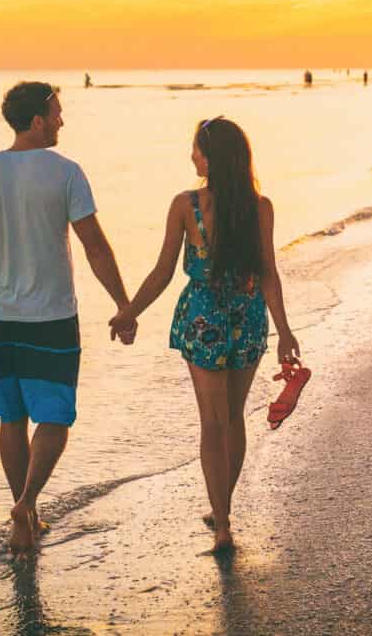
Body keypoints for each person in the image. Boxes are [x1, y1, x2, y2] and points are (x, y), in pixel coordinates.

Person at [0, 81, 133, 554]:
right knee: (54, 418)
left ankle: (23, 516)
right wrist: (122, 304)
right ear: (36, 121)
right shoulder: (65, 173)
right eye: (56, 113)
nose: (61, 121)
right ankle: (28, 501)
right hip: (50, 315)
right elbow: (94, 245)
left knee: (12, 417)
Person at [109, 118, 300, 555]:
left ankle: (223, 526)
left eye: (196, 148)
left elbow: (162, 272)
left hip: (204, 322)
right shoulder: (260, 206)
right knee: (232, 420)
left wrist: (129, 311)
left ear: (210, 157)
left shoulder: (185, 205)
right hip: (248, 318)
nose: (191, 155)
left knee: (212, 425)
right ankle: (222, 511)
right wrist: (285, 329)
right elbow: (268, 272)